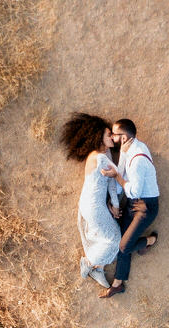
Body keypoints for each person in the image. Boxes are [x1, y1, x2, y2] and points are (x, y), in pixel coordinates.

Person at [60, 113, 122, 294]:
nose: (112, 137)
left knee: (111, 238)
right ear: (98, 138)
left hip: (92, 204)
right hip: (94, 206)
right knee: (114, 240)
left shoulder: (99, 155)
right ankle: (88, 263)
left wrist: (115, 204)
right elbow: (116, 175)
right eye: (108, 135)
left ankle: (98, 269)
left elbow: (110, 183)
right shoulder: (100, 158)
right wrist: (116, 205)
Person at [99, 118, 159, 299]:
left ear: (123, 138)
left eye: (114, 135)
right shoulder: (128, 148)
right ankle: (118, 284)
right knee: (121, 238)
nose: (112, 137)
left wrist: (116, 177)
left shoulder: (138, 159)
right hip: (135, 203)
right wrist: (115, 201)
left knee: (124, 247)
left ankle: (150, 241)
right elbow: (122, 171)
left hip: (145, 207)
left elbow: (132, 191)